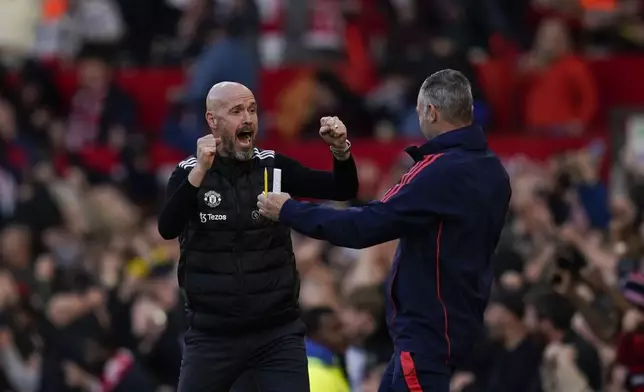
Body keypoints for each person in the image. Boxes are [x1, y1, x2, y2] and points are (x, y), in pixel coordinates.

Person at [258, 69, 512, 392]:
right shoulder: (495, 172)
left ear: (431, 112)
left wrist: (289, 210)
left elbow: (364, 226)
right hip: (454, 326)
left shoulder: (438, 171)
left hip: (427, 336)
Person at [157, 81, 359, 392]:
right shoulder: (188, 174)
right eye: (236, 111)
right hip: (213, 336)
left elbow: (342, 189)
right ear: (212, 121)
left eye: (252, 109)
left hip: (276, 334)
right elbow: (167, 228)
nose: (248, 118)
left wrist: (341, 150)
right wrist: (200, 171)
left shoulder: (273, 167)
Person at [302, 307, 350, 392]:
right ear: (316, 334)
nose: (344, 334)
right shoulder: (311, 371)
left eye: (342, 328)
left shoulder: (331, 363)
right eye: (336, 329)